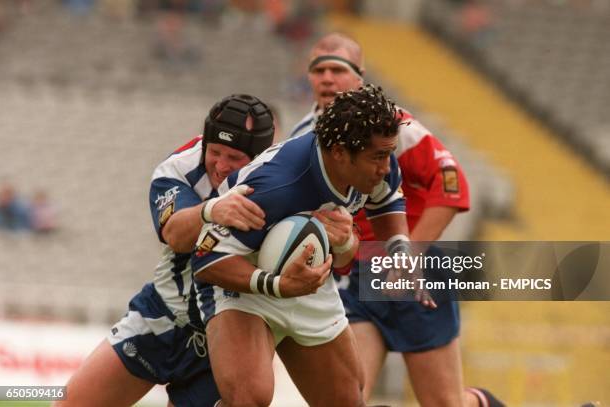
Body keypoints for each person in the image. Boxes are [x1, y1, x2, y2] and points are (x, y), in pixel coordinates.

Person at [289, 32, 504, 407]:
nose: (326, 78)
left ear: (360, 76)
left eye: (336, 69)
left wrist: (411, 256)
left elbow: (452, 185)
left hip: (415, 274)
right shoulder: (303, 137)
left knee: (445, 404)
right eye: (317, 69)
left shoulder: (393, 127)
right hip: (357, 281)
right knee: (346, 400)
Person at [191, 84, 430, 407]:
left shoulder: (376, 156)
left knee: (347, 402)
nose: (387, 167)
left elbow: (385, 205)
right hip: (244, 285)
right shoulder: (275, 186)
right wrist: (276, 284)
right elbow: (205, 260)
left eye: (389, 154)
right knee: (249, 399)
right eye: (378, 157)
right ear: (340, 153)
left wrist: (400, 253)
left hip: (310, 284)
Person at [54, 94, 279, 407]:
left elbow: (364, 244)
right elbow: (175, 235)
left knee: (351, 395)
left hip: (228, 333)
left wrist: (347, 247)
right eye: (214, 152)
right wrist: (211, 210)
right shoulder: (179, 167)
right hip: (161, 316)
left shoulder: (290, 178)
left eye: (234, 158)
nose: (221, 165)